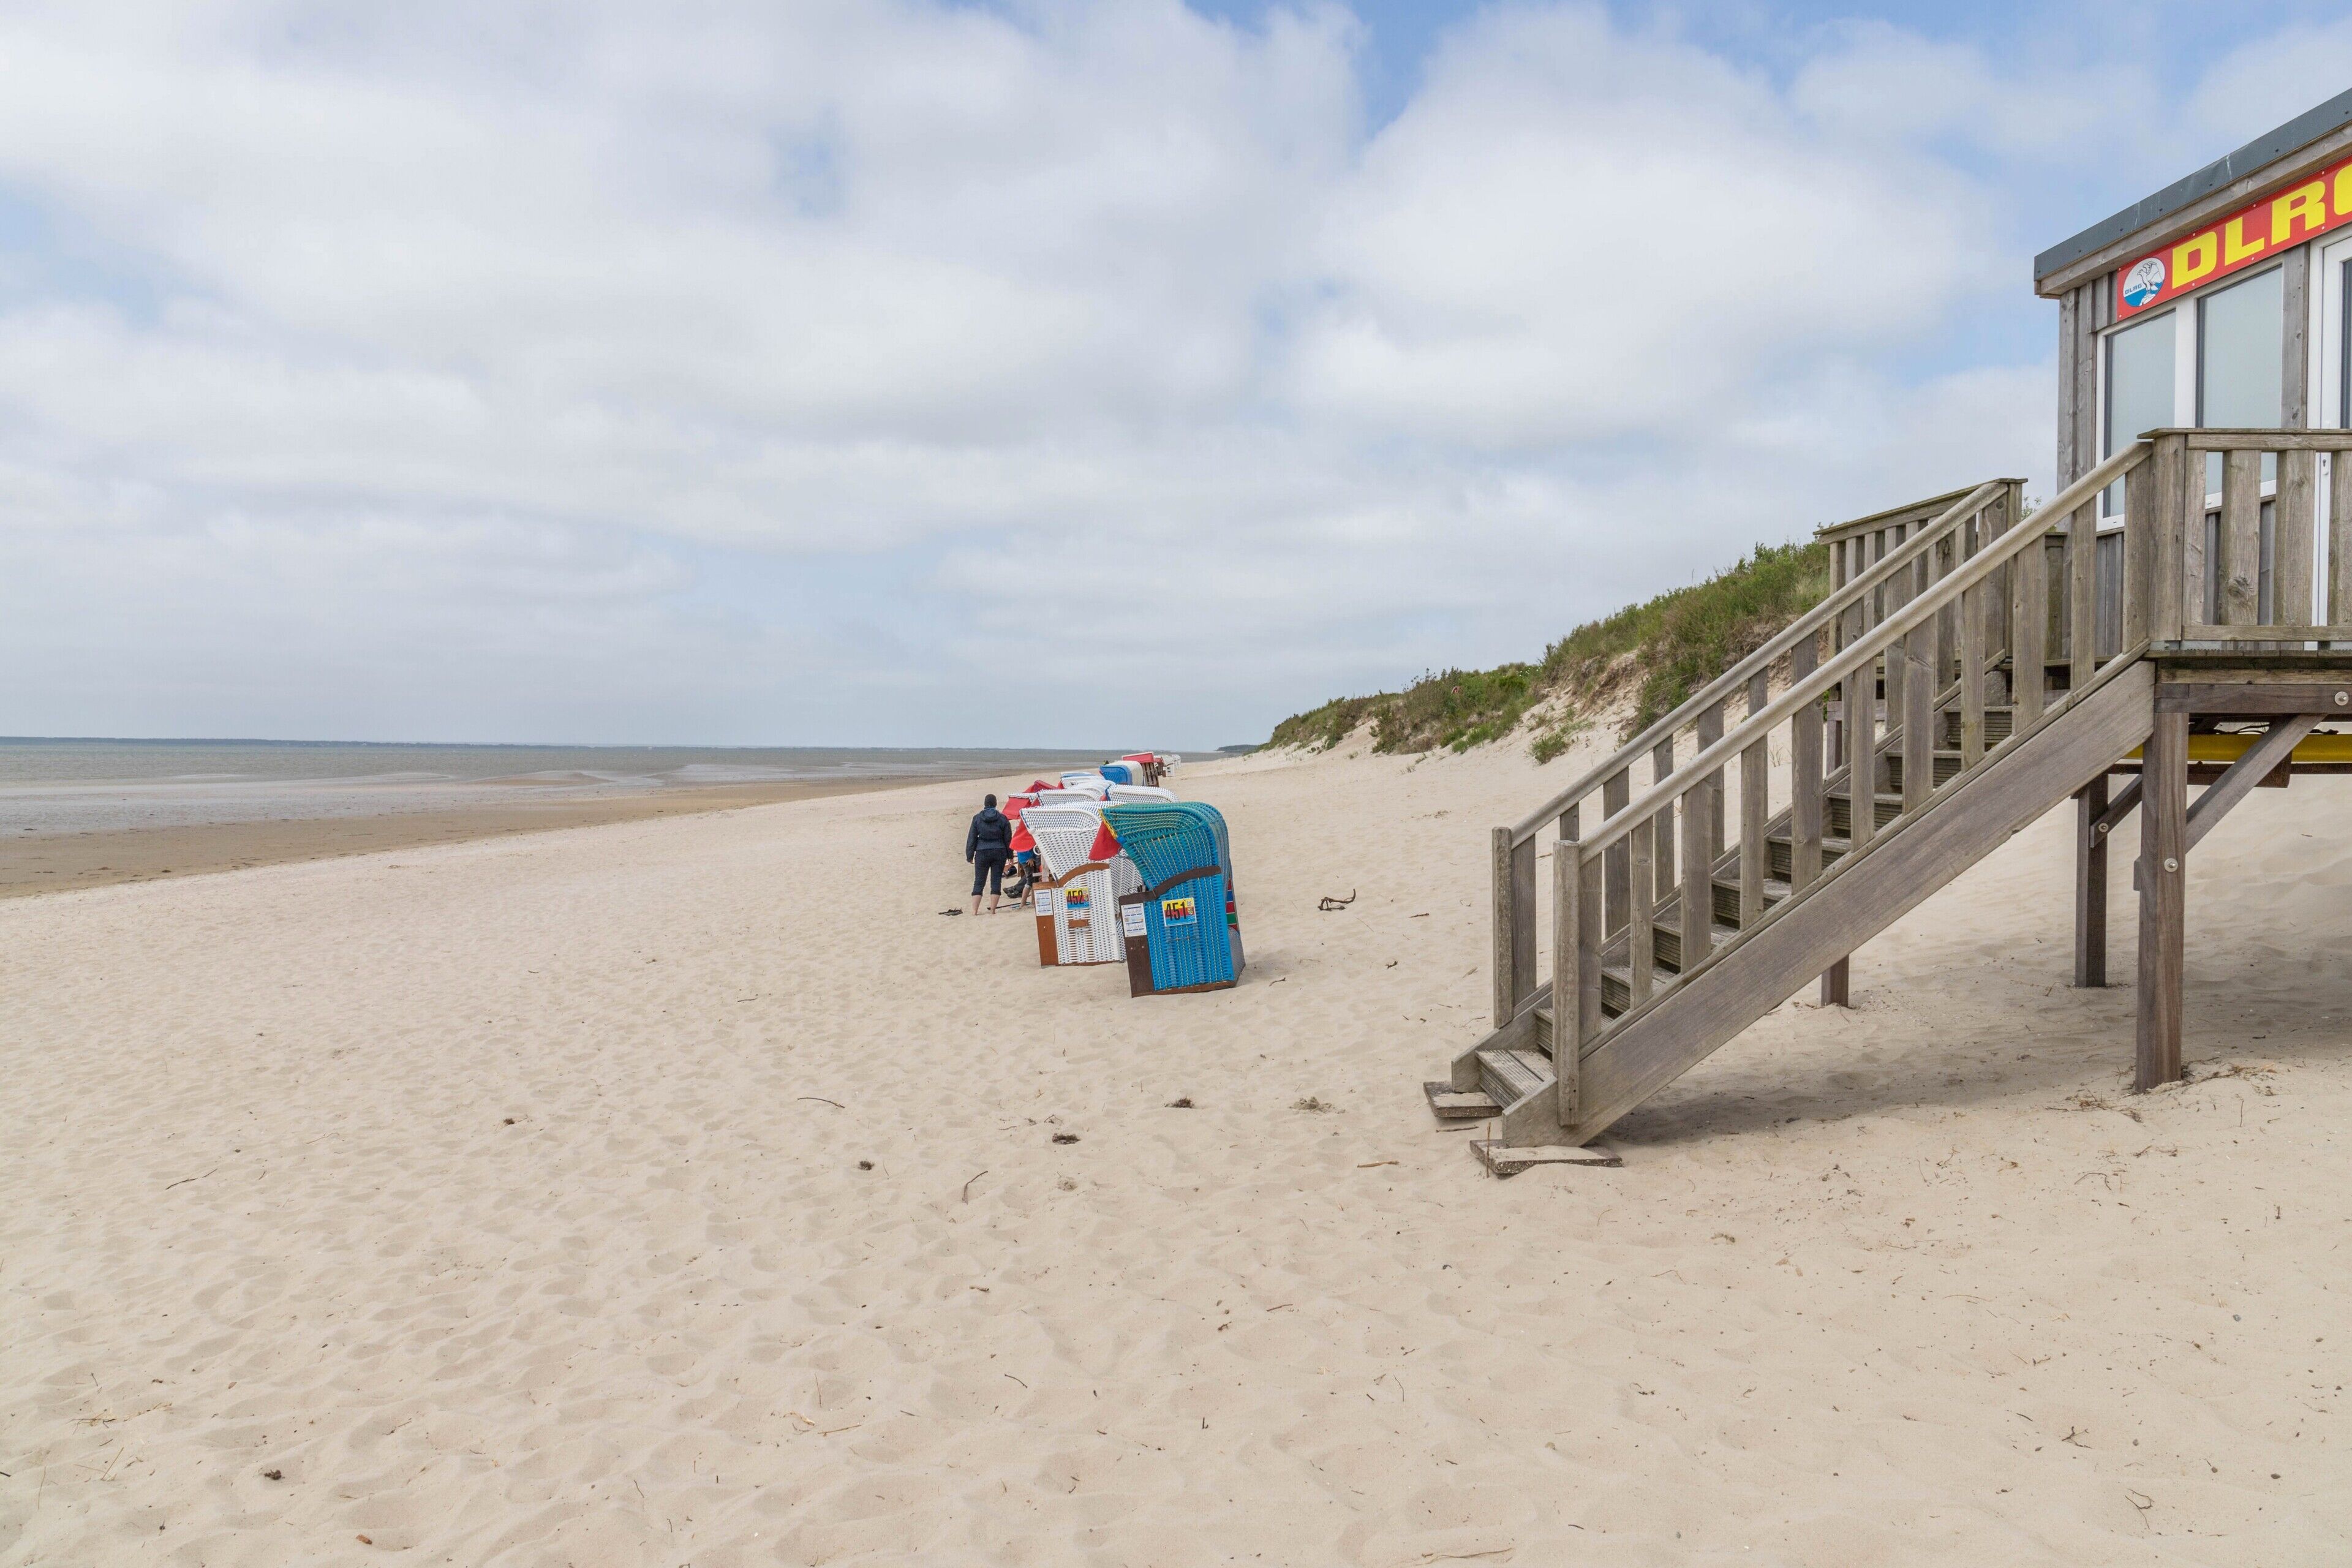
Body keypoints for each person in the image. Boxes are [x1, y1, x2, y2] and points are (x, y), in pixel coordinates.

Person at [966, 793, 1012, 914]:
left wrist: (970, 855)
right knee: (996, 880)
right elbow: (1008, 838)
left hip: (982, 851)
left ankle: (975, 911)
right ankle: (992, 910)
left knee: (979, 881)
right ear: (996, 804)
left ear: (985, 804)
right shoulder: (1003, 819)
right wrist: (1010, 855)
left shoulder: (977, 818)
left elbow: (972, 838)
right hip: (999, 851)